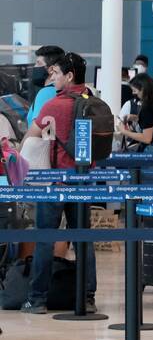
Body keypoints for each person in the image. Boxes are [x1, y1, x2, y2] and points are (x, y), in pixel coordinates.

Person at [23, 52, 96, 314]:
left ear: (69, 76)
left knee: (45, 239)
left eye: (55, 74)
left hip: (54, 181)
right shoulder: (94, 102)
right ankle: (87, 296)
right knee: (83, 239)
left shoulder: (54, 105)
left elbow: (31, 139)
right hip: (83, 182)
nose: (51, 78)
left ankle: (37, 299)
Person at [118, 73, 153, 154]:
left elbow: (146, 138)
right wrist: (135, 118)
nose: (134, 94)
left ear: (143, 89)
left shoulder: (147, 106)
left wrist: (125, 132)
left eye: (135, 91)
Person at [26, 44, 64, 129]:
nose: (34, 66)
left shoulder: (46, 93)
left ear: (51, 69)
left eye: (38, 63)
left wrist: (22, 142)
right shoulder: (59, 90)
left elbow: (37, 129)